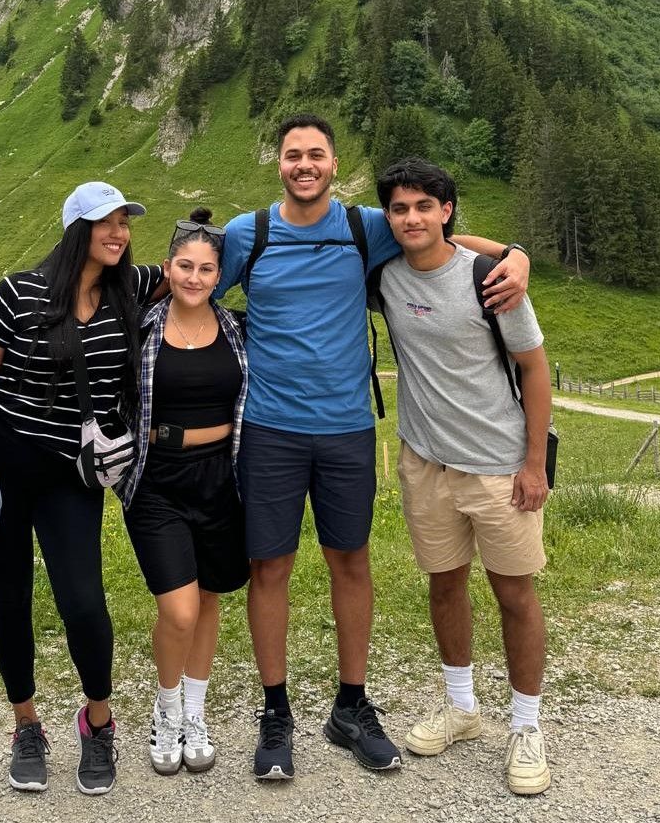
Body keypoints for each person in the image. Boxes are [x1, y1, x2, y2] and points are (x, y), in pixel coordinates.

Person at [214, 113, 531, 781]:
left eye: (316, 154)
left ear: (333, 162)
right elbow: (192, 288)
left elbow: (438, 233)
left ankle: (351, 706)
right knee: (269, 569)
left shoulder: (366, 226)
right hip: (270, 427)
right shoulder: (251, 233)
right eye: (293, 154)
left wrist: (515, 254)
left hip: (348, 428)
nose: (305, 164)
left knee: (350, 563)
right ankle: (276, 711)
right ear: (279, 163)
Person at [0, 180, 163, 798]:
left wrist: (439, 242)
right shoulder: (18, 293)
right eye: (106, 224)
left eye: (124, 224)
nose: (119, 234)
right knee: (12, 598)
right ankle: (26, 726)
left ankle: (98, 722)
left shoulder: (129, 289)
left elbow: (207, 258)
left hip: (68, 476)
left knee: (83, 600)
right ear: (75, 229)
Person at [374, 157, 552, 797]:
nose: (412, 217)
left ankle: (527, 726)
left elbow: (534, 369)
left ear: (447, 211)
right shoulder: (386, 278)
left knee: (514, 595)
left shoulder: (490, 279)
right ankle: (462, 707)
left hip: (499, 467)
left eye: (425, 205)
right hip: (425, 462)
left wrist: (533, 465)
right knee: (444, 586)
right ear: (389, 217)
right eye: (400, 208)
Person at [120, 209, 249, 777]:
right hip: (157, 477)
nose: (195, 277)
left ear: (219, 274)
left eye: (206, 268)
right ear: (166, 267)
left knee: (212, 596)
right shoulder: (139, 324)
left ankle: (195, 709)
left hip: (221, 476)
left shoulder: (238, 327)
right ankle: (166, 705)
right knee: (179, 608)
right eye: (184, 265)